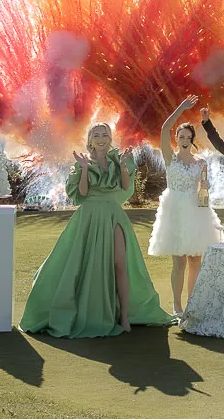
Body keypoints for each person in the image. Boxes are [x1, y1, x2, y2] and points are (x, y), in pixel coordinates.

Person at [19, 122, 174, 338]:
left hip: (113, 215)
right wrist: (84, 169)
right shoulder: (83, 163)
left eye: (105, 134)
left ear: (110, 138)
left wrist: (122, 167)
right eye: (96, 135)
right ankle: (91, 313)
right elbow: (81, 194)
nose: (101, 138)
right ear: (90, 140)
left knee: (120, 264)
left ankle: (124, 315)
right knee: (85, 265)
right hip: (89, 217)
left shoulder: (118, 159)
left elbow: (125, 187)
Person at [148, 94, 220, 316]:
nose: (185, 139)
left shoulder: (201, 162)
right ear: (177, 138)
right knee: (178, 261)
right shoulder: (170, 157)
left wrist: (205, 188)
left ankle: (192, 303)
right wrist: (182, 107)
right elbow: (164, 129)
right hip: (175, 211)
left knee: (195, 259)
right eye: (181, 136)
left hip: (196, 212)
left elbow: (204, 195)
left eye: (188, 136)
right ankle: (177, 306)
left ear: (192, 139)